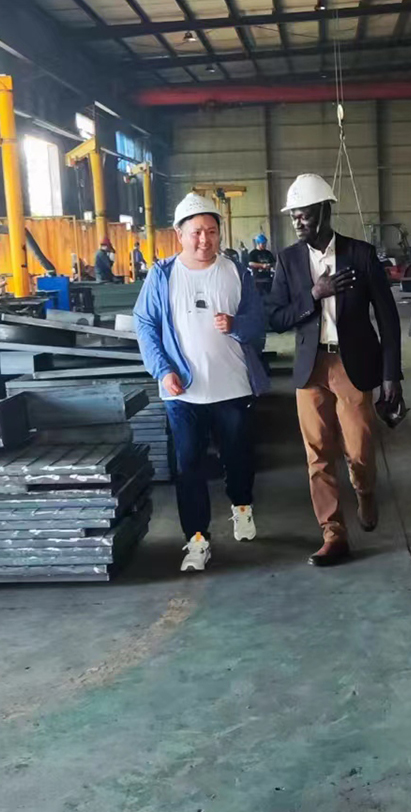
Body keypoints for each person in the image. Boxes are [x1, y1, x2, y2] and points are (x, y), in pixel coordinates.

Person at [268, 173, 403, 567]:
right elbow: (276, 317)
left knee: (359, 448)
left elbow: (388, 319)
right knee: (317, 454)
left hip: (352, 363)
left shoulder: (360, 255)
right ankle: (333, 533)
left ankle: (364, 490)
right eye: (294, 216)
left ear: (325, 212)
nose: (298, 222)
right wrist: (314, 295)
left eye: (305, 215)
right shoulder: (288, 260)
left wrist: (391, 375)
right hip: (310, 367)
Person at [133, 192, 270, 574]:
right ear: (179, 234)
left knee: (238, 457)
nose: (204, 240)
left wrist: (236, 324)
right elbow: (144, 324)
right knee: (189, 465)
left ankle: (242, 506)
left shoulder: (236, 272)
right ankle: (196, 539)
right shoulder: (162, 275)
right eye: (196, 232)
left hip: (233, 387)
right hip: (183, 392)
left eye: (211, 231)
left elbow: (259, 323)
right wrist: (163, 370)